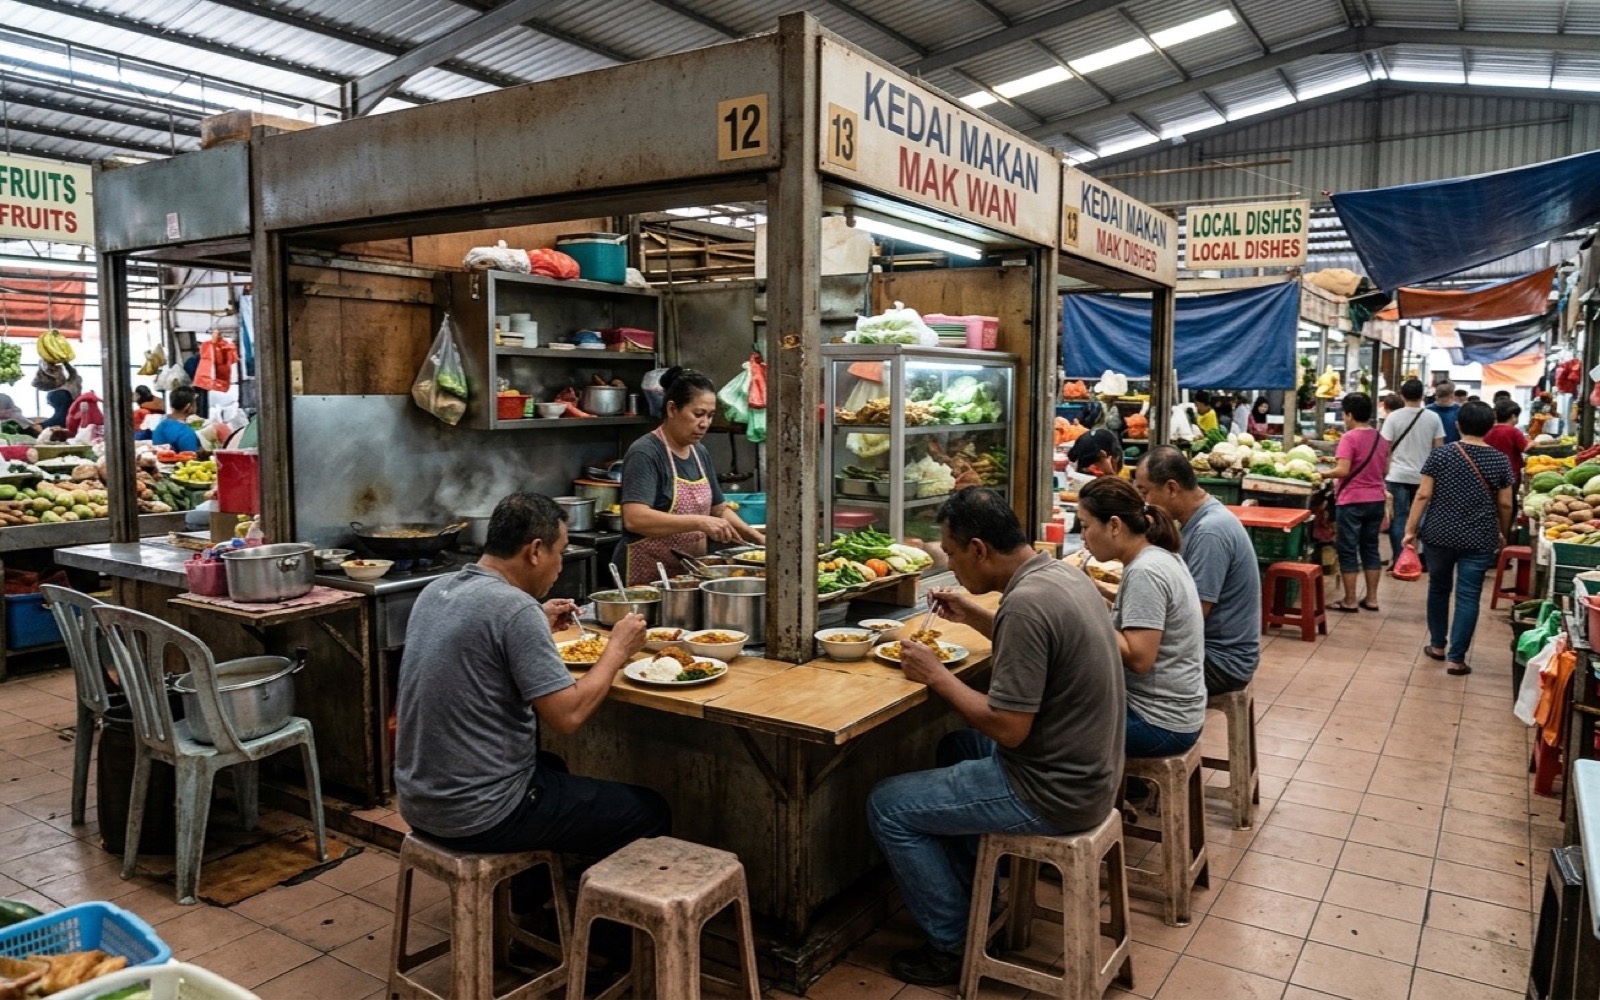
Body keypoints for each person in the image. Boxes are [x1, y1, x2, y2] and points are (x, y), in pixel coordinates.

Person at [867, 488, 1123, 987]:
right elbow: (1035, 643)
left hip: (1054, 791)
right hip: (1093, 774)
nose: (952, 564)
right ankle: (983, 902)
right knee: (956, 747)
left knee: (888, 805)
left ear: (980, 549)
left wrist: (937, 675)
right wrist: (974, 614)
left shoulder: (1026, 605)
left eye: (954, 553)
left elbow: (1009, 727)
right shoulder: (1059, 576)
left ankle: (953, 942)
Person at [395, 492, 670, 896]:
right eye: (560, 552)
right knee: (648, 811)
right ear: (536, 550)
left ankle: (534, 913)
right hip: (480, 812)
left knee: (552, 765)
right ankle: (607, 948)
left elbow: (482, 636)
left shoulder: (438, 590)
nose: (560, 565)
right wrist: (617, 650)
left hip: (420, 801)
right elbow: (568, 716)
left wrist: (535, 620)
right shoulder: (514, 609)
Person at [1077, 477, 1205, 757]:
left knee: (1049, 727)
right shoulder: (1158, 556)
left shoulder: (1144, 571)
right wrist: (1093, 593)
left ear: (1114, 525)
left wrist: (1083, 610)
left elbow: (1139, 658)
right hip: (1175, 714)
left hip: (1158, 722)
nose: (1082, 537)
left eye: (1086, 527)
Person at [615, 368, 763, 584]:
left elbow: (718, 509)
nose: (704, 423)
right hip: (648, 575)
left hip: (688, 572)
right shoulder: (646, 452)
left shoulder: (699, 451)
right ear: (672, 409)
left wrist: (756, 538)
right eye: (698, 414)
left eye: (710, 416)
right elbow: (634, 518)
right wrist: (701, 522)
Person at [1135, 446, 1260, 695]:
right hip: (1211, 651)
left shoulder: (1209, 532)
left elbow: (1191, 616)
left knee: (1111, 668)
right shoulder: (1199, 521)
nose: (1144, 503)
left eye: (1145, 492)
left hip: (1222, 662)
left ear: (1172, 488)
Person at [1402, 401, 1514, 676]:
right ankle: (1457, 658)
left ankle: (1438, 645)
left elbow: (1423, 495)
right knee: (1468, 596)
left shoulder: (1441, 455)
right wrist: (1502, 531)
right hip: (1479, 537)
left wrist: (1410, 530)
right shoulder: (1500, 459)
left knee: (1439, 589)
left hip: (1439, 534)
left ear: (1457, 425)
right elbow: (1506, 504)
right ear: (1490, 427)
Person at [1326, 392, 1389, 612]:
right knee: (1370, 548)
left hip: (1352, 501)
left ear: (1350, 414)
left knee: (1348, 549)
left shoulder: (1349, 438)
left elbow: (1343, 470)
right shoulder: (1381, 439)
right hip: (1376, 500)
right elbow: (1385, 470)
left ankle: (1350, 600)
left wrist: (1322, 475)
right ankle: (1372, 599)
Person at [1381, 379, 1445, 567]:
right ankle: (1424, 560)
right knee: (1424, 518)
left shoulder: (1393, 417)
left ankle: (1400, 560)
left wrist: (1385, 472)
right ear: (1423, 396)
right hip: (1424, 477)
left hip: (1397, 475)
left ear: (1402, 395)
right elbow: (1439, 449)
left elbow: (1386, 448)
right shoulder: (1433, 418)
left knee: (1399, 518)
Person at [1484, 399, 1528, 488]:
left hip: (1490, 472)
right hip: (1512, 472)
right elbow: (1525, 448)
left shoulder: (1488, 430)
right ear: (1513, 417)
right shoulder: (1514, 431)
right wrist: (1533, 443)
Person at [151, 386, 204, 454]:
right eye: (195, 403)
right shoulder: (185, 432)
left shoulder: (160, 426)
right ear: (188, 407)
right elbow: (192, 459)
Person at [1428, 380, 1461, 444]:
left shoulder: (1458, 410)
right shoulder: (1429, 410)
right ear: (1436, 397)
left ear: (1452, 397)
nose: (1444, 403)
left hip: (1454, 446)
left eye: (1446, 401)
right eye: (1441, 401)